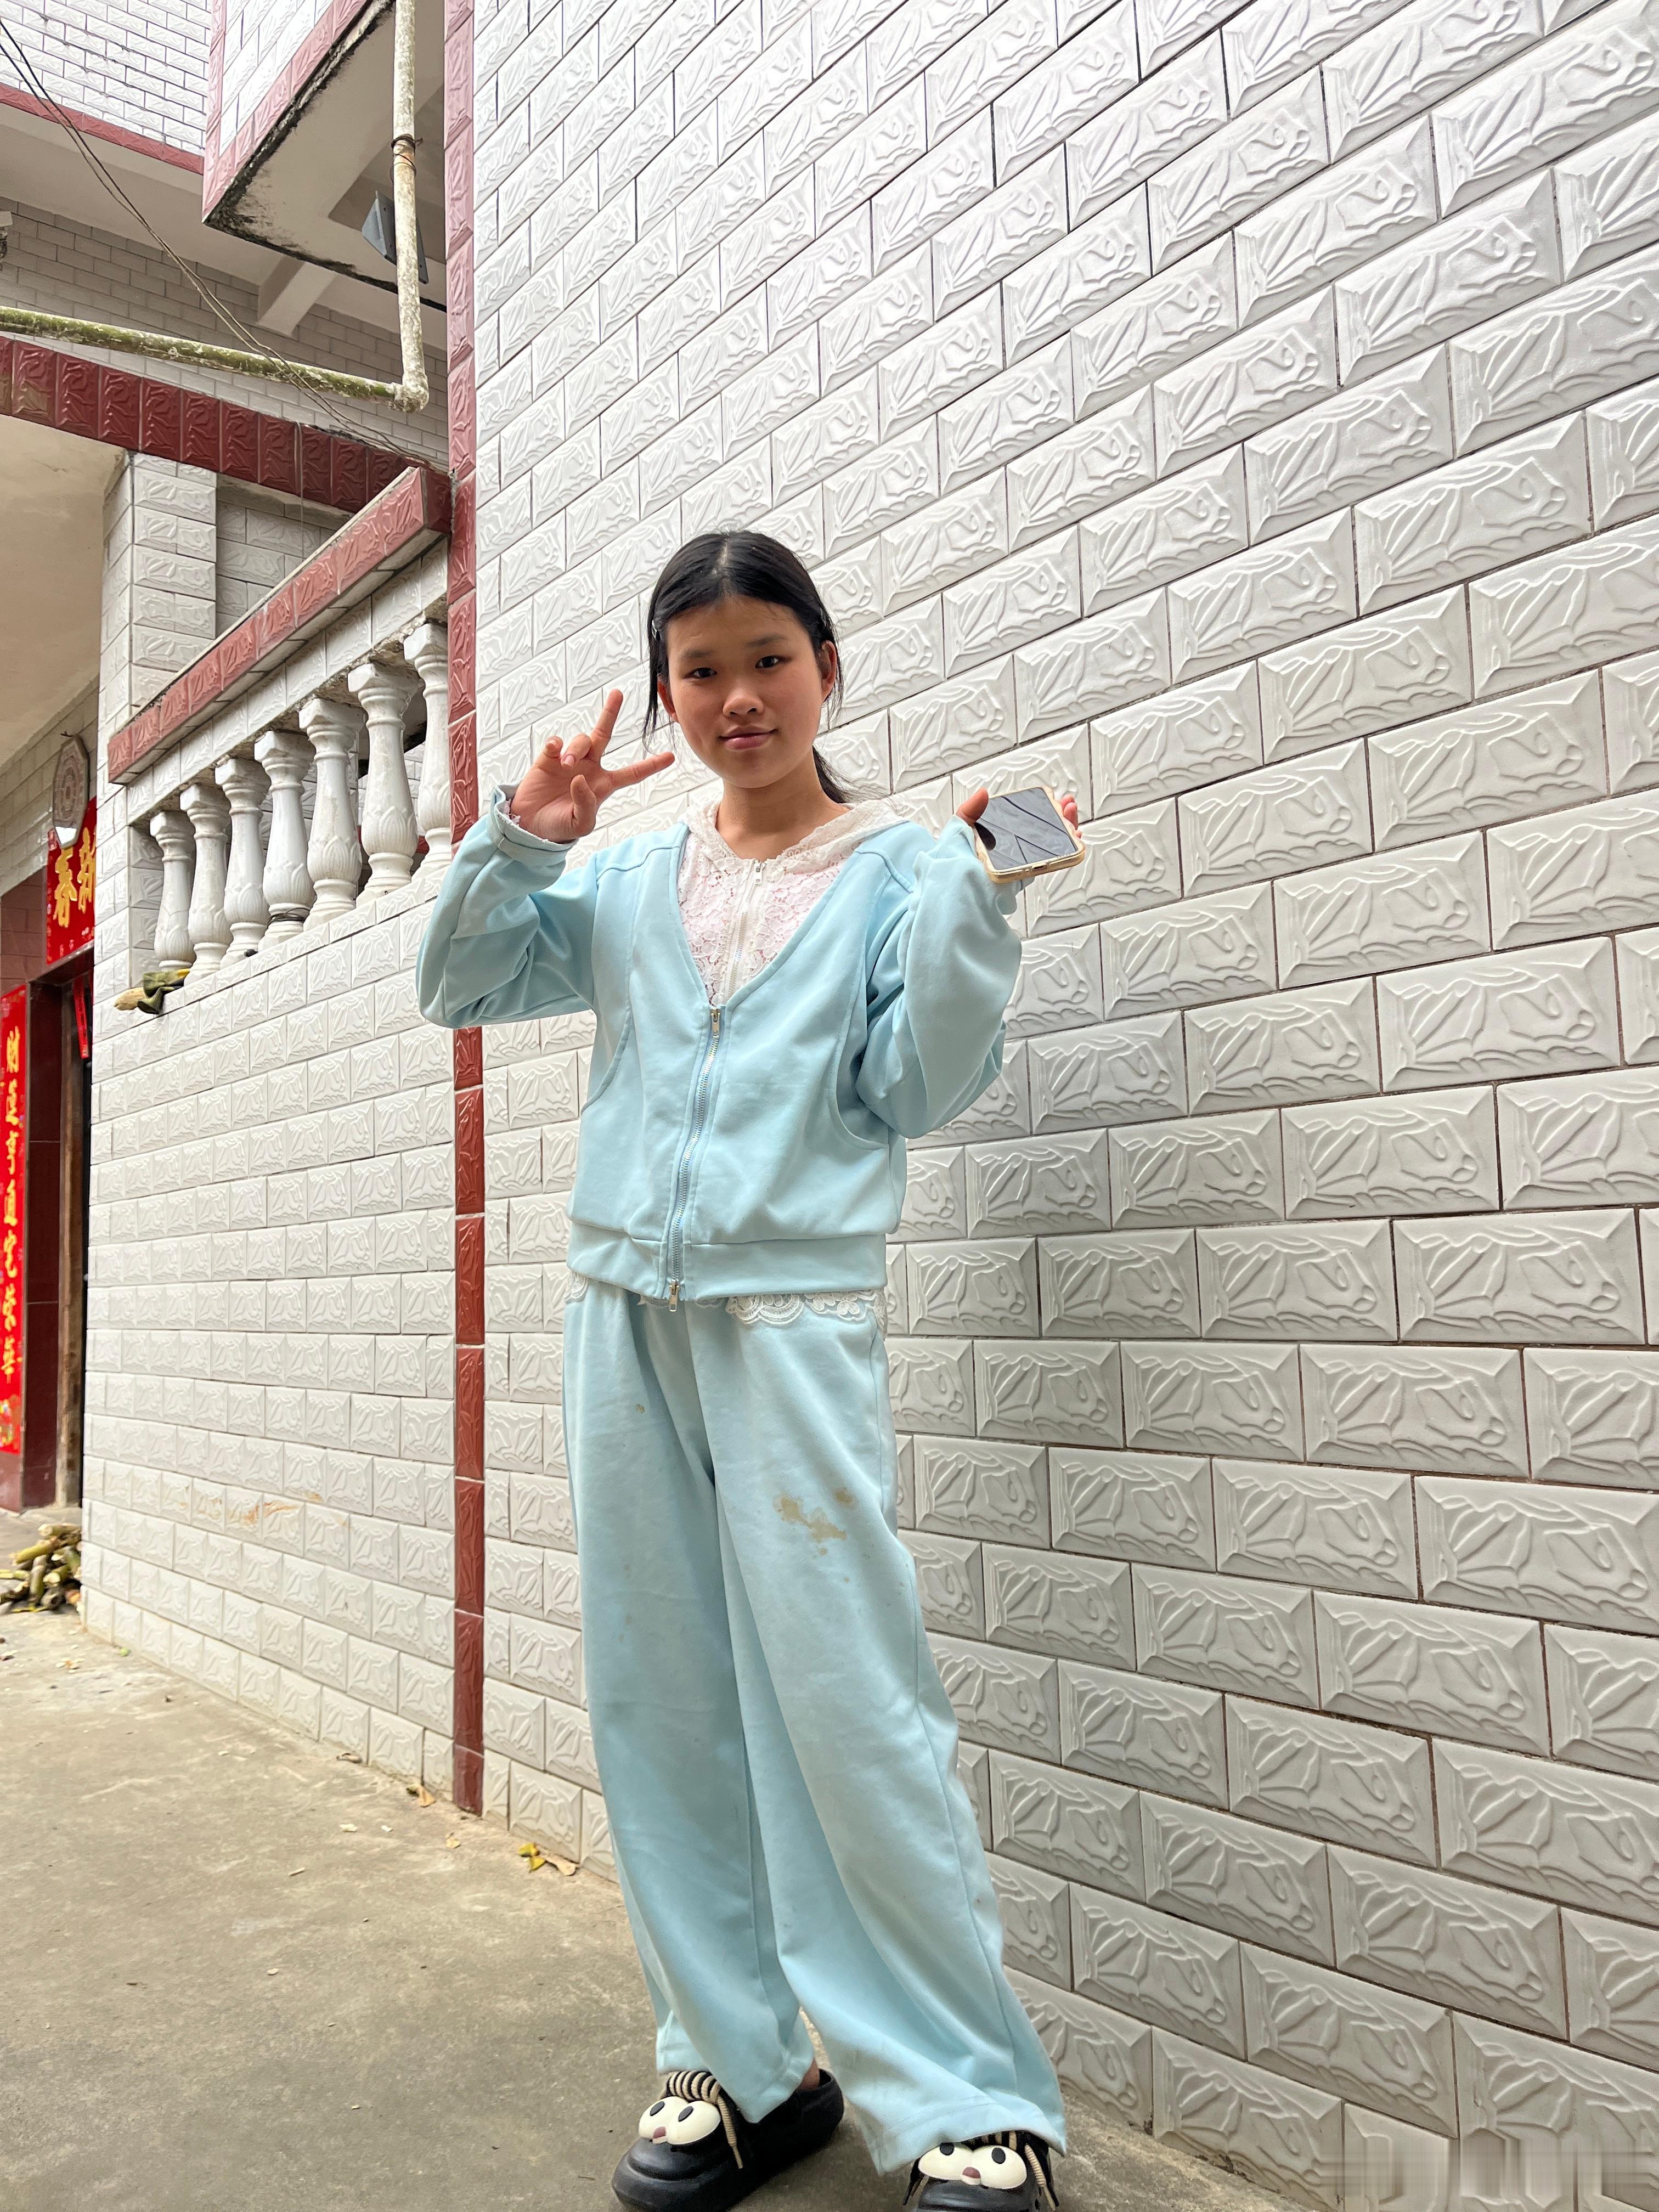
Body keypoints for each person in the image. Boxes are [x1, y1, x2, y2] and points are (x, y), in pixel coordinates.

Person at [416, 529, 1077, 2212]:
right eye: (699, 671)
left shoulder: (901, 868)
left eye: (768, 658)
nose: (737, 698)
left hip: (791, 1324)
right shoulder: (630, 881)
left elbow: (917, 1088)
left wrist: (978, 908)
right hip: (622, 1315)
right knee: (660, 1701)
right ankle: (738, 2064)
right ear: (666, 695)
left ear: (825, 667)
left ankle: (967, 2096)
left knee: (849, 1708)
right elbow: (460, 981)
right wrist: (521, 837)